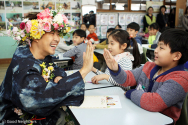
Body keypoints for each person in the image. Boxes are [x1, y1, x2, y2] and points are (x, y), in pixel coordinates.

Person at [0, 9, 94, 124]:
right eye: (51, 33)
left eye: (58, 34)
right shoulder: (24, 65)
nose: (57, 39)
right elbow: (40, 99)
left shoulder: (37, 54)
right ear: (35, 35)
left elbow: (55, 68)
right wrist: (83, 71)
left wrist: (58, 76)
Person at [103, 28, 188, 123]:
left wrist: (131, 93)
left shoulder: (181, 79)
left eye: (161, 48)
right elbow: (127, 78)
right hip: (140, 113)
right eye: (157, 46)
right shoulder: (149, 66)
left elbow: (154, 103)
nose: (155, 50)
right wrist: (116, 69)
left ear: (176, 56)